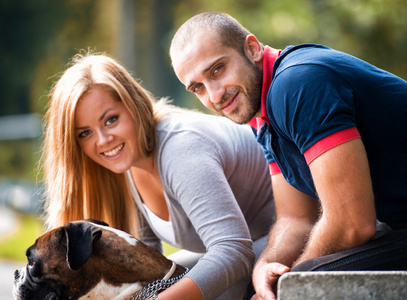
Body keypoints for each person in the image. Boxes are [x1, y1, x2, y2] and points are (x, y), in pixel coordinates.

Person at [169, 12, 407, 300]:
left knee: (302, 289)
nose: (215, 96)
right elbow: (296, 217)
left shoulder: (298, 84)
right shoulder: (259, 110)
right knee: (265, 285)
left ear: (251, 48)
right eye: (198, 87)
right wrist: (267, 264)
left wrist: (293, 279)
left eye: (217, 70)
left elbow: (352, 223)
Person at [40, 52, 276, 300]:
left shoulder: (180, 149)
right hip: (250, 245)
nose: (103, 140)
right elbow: (147, 268)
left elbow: (233, 251)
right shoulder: (129, 163)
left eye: (111, 120)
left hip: (286, 234)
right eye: (85, 133)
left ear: (133, 107)